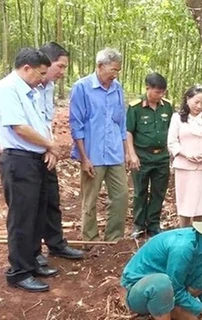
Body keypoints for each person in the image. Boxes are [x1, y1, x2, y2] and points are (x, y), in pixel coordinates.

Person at [0, 48, 58, 292]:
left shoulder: (31, 91)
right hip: (19, 159)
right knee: (22, 217)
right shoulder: (8, 89)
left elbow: (41, 123)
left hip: (37, 158)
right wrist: (50, 144)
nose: (43, 78)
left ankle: (33, 259)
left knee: (37, 213)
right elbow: (19, 128)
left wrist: (49, 148)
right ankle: (19, 271)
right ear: (26, 68)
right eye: (40, 73)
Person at [121, 212, 202, 320]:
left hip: (170, 287)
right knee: (162, 283)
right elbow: (176, 290)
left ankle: (176, 307)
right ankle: (168, 312)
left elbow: (200, 284)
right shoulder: (183, 248)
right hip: (138, 290)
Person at [69, 48, 129, 241]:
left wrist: (126, 151)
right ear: (100, 66)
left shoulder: (117, 88)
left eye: (118, 70)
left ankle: (114, 239)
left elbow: (121, 123)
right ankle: (90, 240)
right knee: (90, 200)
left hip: (114, 152)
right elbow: (76, 125)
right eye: (112, 69)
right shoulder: (82, 87)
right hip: (92, 154)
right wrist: (84, 157)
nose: (115, 74)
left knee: (120, 196)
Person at [34, 42, 84, 267]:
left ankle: (56, 243)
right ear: (45, 62)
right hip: (27, 151)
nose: (63, 72)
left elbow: (46, 120)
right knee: (31, 206)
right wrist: (48, 146)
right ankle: (33, 251)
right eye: (60, 66)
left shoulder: (49, 86)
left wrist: (51, 147)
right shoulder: (27, 87)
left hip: (46, 151)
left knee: (51, 199)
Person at [127, 73, 173, 238]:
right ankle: (139, 224)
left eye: (162, 92)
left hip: (161, 157)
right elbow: (129, 132)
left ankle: (153, 224)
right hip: (142, 156)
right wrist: (132, 155)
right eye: (156, 92)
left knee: (158, 191)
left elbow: (172, 130)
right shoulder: (135, 107)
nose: (160, 95)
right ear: (147, 88)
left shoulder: (167, 106)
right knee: (140, 191)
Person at [167, 85, 202, 227]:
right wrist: (186, 154)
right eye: (196, 102)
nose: (199, 106)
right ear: (187, 99)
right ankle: (183, 231)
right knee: (185, 202)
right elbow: (172, 142)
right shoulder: (177, 118)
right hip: (184, 166)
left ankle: (199, 231)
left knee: (201, 203)